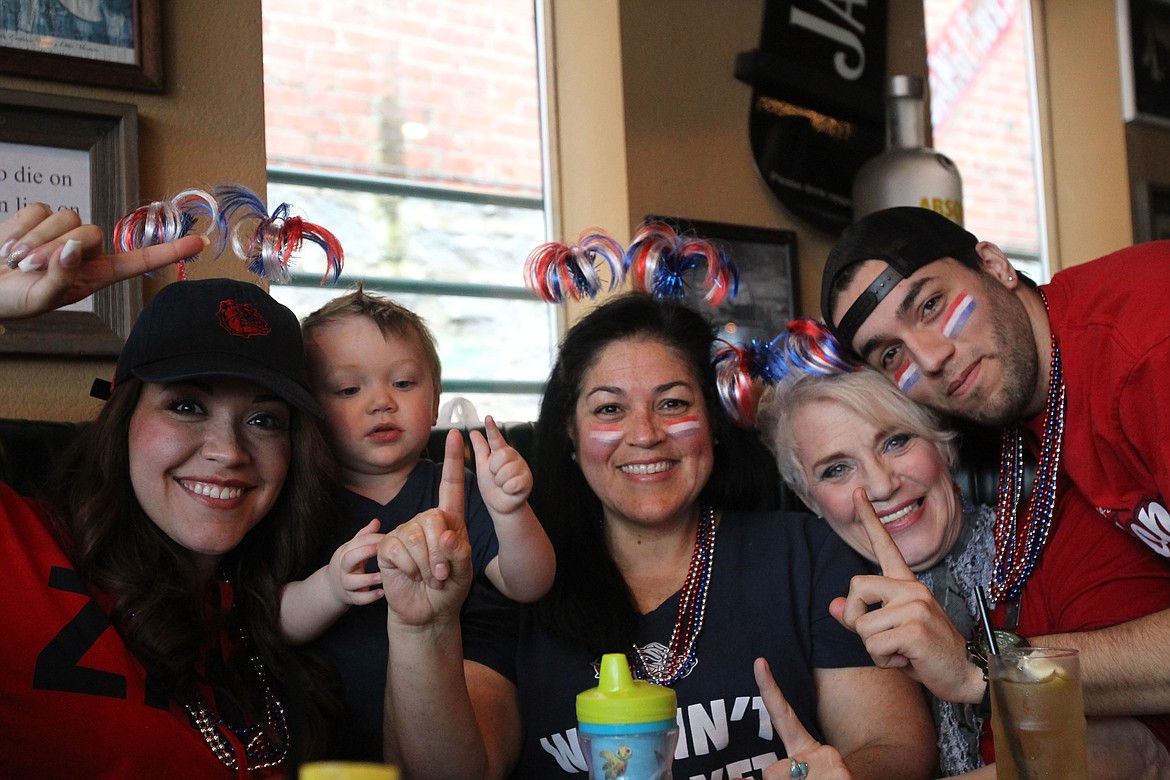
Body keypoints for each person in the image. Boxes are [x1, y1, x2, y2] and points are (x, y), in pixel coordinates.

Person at [374, 293, 937, 779]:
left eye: (672, 403)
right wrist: (423, 626)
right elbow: (451, 774)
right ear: (570, 434)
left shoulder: (809, 554)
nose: (644, 435)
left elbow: (894, 747)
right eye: (609, 409)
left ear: (713, 424)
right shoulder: (515, 575)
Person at [0, 203, 338, 776]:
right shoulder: (21, 554)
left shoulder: (287, 604)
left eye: (263, 420)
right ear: (123, 417)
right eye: (186, 406)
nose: (228, 451)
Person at [753, 319, 1170, 776]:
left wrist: (974, 669)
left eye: (896, 440)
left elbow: (1132, 748)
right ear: (812, 500)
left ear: (942, 441)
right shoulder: (824, 613)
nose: (880, 485)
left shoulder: (1064, 534)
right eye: (836, 470)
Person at [820, 205, 1170, 714]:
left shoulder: (1146, 352)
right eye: (891, 355)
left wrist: (981, 671)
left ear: (994, 264)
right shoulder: (1032, 402)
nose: (930, 356)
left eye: (931, 305)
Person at [276, 288, 555, 760]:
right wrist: (329, 588)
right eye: (348, 389)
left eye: (403, 383)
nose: (381, 402)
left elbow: (529, 583)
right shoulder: (302, 501)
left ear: (434, 402)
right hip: (334, 729)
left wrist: (509, 512)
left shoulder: (460, 488)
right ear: (310, 410)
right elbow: (273, 621)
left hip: (452, 714)